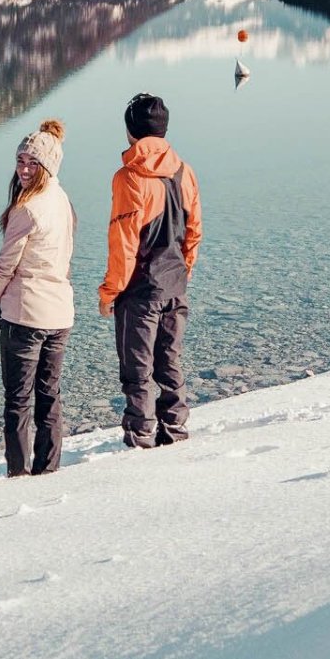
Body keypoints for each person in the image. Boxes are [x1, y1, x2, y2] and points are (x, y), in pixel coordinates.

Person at [98, 93, 202, 448]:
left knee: (137, 370)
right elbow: (194, 232)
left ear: (131, 130)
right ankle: (175, 429)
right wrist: (182, 273)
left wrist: (109, 292)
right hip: (175, 285)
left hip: (140, 290)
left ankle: (140, 436)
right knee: (169, 361)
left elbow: (124, 243)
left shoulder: (128, 178)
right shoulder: (185, 171)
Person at [0, 119, 76, 477]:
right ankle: (48, 469)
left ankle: (18, 475)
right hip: (60, 315)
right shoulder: (61, 200)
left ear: (47, 167)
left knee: (18, 400)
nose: (24, 169)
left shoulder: (26, 209)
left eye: (33, 163)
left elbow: (4, 268)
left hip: (25, 317)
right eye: (20, 160)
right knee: (49, 395)